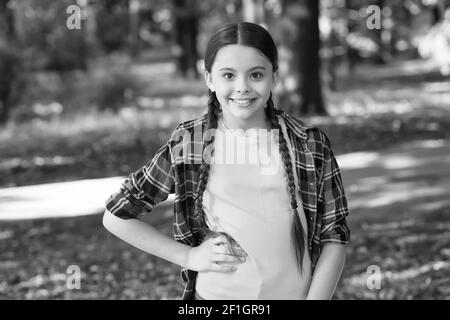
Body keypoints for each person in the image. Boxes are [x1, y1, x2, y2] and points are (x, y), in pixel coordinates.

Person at [103, 22, 350, 300]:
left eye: (256, 74)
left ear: (274, 77)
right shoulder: (191, 142)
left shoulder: (309, 142)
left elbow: (334, 234)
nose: (242, 87)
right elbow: (117, 216)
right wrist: (189, 256)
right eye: (228, 75)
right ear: (209, 78)